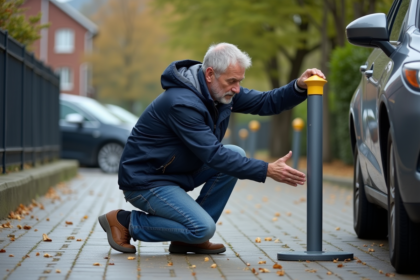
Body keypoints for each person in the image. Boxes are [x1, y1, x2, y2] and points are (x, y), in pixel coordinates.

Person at [98, 43, 326, 254]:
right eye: (232, 81)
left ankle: (187, 239)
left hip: (174, 172)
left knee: (236, 153)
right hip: (146, 181)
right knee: (203, 228)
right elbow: (213, 155)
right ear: (209, 74)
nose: (237, 89)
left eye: (240, 81)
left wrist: (298, 85)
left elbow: (266, 102)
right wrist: (266, 169)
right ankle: (125, 222)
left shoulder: (220, 91)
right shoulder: (181, 103)